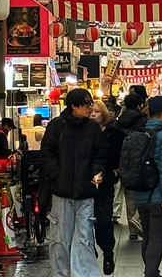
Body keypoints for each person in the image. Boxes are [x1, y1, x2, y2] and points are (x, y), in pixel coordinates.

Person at [40, 88, 106, 277]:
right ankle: (61, 273)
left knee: (84, 237)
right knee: (60, 238)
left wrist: (96, 173)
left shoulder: (93, 128)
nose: (90, 107)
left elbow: (100, 154)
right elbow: (47, 154)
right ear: (74, 106)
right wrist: (56, 176)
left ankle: (83, 274)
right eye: (86, 104)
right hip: (61, 192)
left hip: (86, 191)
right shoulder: (56, 126)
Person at [133, 96, 162, 277]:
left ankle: (151, 272)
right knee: (158, 239)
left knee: (148, 237)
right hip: (158, 196)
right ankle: (151, 273)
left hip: (140, 194)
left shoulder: (139, 133)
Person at [90, 101, 125, 275]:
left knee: (104, 220)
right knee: (86, 221)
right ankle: (90, 250)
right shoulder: (82, 133)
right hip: (84, 183)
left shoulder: (115, 135)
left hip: (106, 183)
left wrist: (114, 173)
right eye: (91, 111)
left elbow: (120, 158)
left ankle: (108, 252)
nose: (93, 114)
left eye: (97, 111)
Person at [113, 93, 148, 239]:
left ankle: (132, 230)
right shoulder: (142, 121)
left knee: (125, 192)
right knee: (136, 194)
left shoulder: (118, 122)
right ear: (140, 105)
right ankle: (136, 222)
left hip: (122, 161)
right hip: (138, 160)